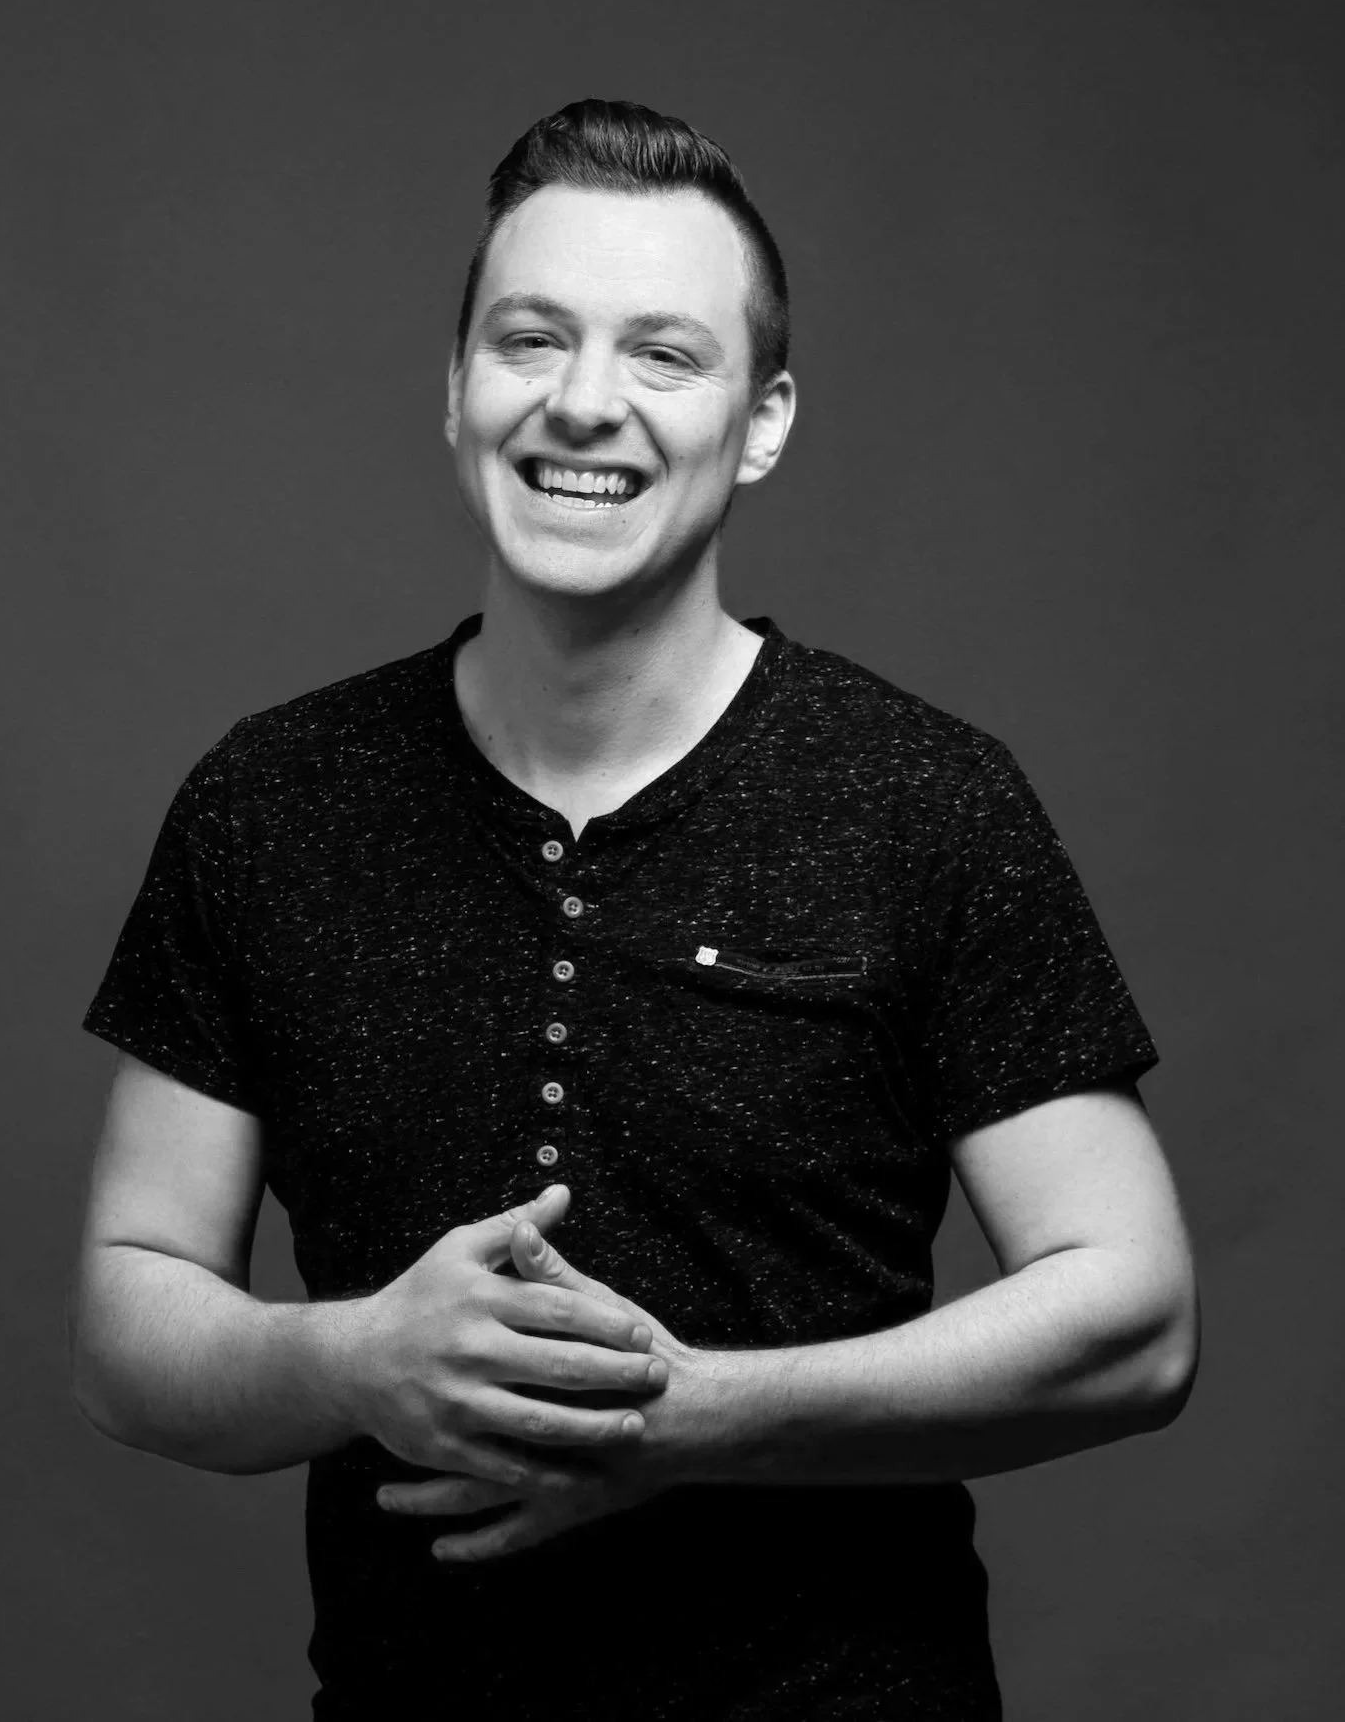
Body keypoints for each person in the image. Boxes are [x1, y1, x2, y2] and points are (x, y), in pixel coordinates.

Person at [70, 98, 1199, 1719]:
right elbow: (125, 1320)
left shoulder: (924, 800)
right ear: (457, 389)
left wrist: (693, 1415)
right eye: (532, 339)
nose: (584, 403)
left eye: (664, 355)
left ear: (763, 419)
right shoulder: (271, 799)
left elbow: (1136, 1318)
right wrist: (361, 1360)